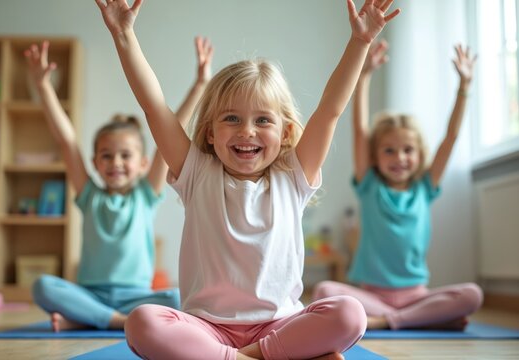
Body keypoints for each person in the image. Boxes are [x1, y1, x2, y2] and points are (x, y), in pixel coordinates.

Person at [96, 0, 400, 358]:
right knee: (142, 322)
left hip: (279, 324)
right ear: (209, 133)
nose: (247, 132)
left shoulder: (294, 174)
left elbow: (330, 110)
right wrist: (123, 34)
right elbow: (154, 106)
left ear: (286, 133)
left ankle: (247, 356)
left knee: (350, 313)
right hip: (206, 327)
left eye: (263, 121)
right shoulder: (195, 171)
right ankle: (270, 356)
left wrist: (359, 43)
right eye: (231, 119)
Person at [24, 36, 214, 332]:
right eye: (106, 156)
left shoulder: (146, 194)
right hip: (91, 293)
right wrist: (43, 86)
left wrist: (200, 85)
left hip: (136, 297)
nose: (115, 163)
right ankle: (115, 322)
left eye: (125, 156)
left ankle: (84, 320)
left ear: (142, 164)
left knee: (180, 296)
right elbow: (67, 140)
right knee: (42, 286)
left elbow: (170, 130)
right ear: (95, 162)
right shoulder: (89, 196)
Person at [312, 40, 483, 330]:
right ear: (375, 156)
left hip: (416, 295)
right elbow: (360, 131)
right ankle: (423, 320)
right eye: (389, 150)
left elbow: (450, 138)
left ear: (419, 155)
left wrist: (464, 87)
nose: (399, 158)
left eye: (407, 150)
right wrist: (364, 76)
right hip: (371, 295)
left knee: (472, 294)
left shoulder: (425, 187)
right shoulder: (369, 186)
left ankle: (389, 321)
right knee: (324, 291)